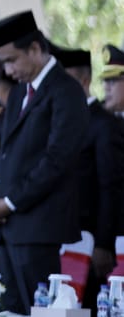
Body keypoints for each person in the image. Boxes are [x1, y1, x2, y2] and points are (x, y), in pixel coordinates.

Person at [0, 10, 88, 314]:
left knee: (37, 309)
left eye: (12, 60)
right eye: (3, 63)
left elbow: (57, 160)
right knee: (10, 308)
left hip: (38, 227)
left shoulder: (66, 92)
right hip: (8, 226)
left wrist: (10, 202)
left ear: (36, 50)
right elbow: (8, 155)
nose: (8, 70)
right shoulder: (17, 95)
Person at [56, 45, 124, 304]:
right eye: (106, 80)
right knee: (64, 304)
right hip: (71, 233)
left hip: (95, 237)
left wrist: (103, 242)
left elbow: (111, 185)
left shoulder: (104, 125)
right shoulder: (72, 119)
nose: (107, 87)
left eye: (115, 80)